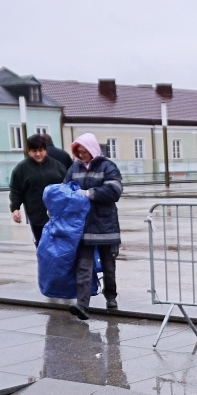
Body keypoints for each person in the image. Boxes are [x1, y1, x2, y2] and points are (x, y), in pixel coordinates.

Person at [64, 133, 123, 319]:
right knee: (84, 266)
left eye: (84, 152)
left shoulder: (108, 166)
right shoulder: (74, 167)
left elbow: (115, 191)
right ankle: (82, 306)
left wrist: (89, 193)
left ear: (92, 150)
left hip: (105, 225)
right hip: (83, 226)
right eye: (78, 152)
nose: (81, 155)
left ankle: (111, 296)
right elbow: (65, 188)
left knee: (108, 264)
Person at [9, 133, 68, 245]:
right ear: (29, 151)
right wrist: (15, 208)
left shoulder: (57, 166)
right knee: (42, 246)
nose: (38, 154)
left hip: (58, 215)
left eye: (41, 150)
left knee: (60, 246)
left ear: (45, 150)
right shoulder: (21, 169)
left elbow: (68, 187)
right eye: (34, 151)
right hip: (36, 216)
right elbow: (16, 190)